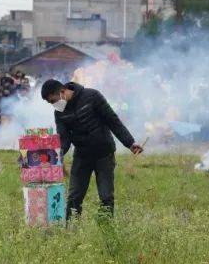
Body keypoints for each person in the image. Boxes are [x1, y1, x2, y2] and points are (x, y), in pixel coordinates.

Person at [41, 79, 143, 218]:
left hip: (104, 154)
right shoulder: (59, 113)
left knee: (106, 196)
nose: (54, 105)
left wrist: (130, 143)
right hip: (82, 156)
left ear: (62, 92)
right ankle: (71, 229)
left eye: (53, 101)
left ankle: (107, 228)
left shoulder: (92, 96)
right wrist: (56, 154)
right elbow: (64, 139)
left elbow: (112, 120)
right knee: (74, 196)